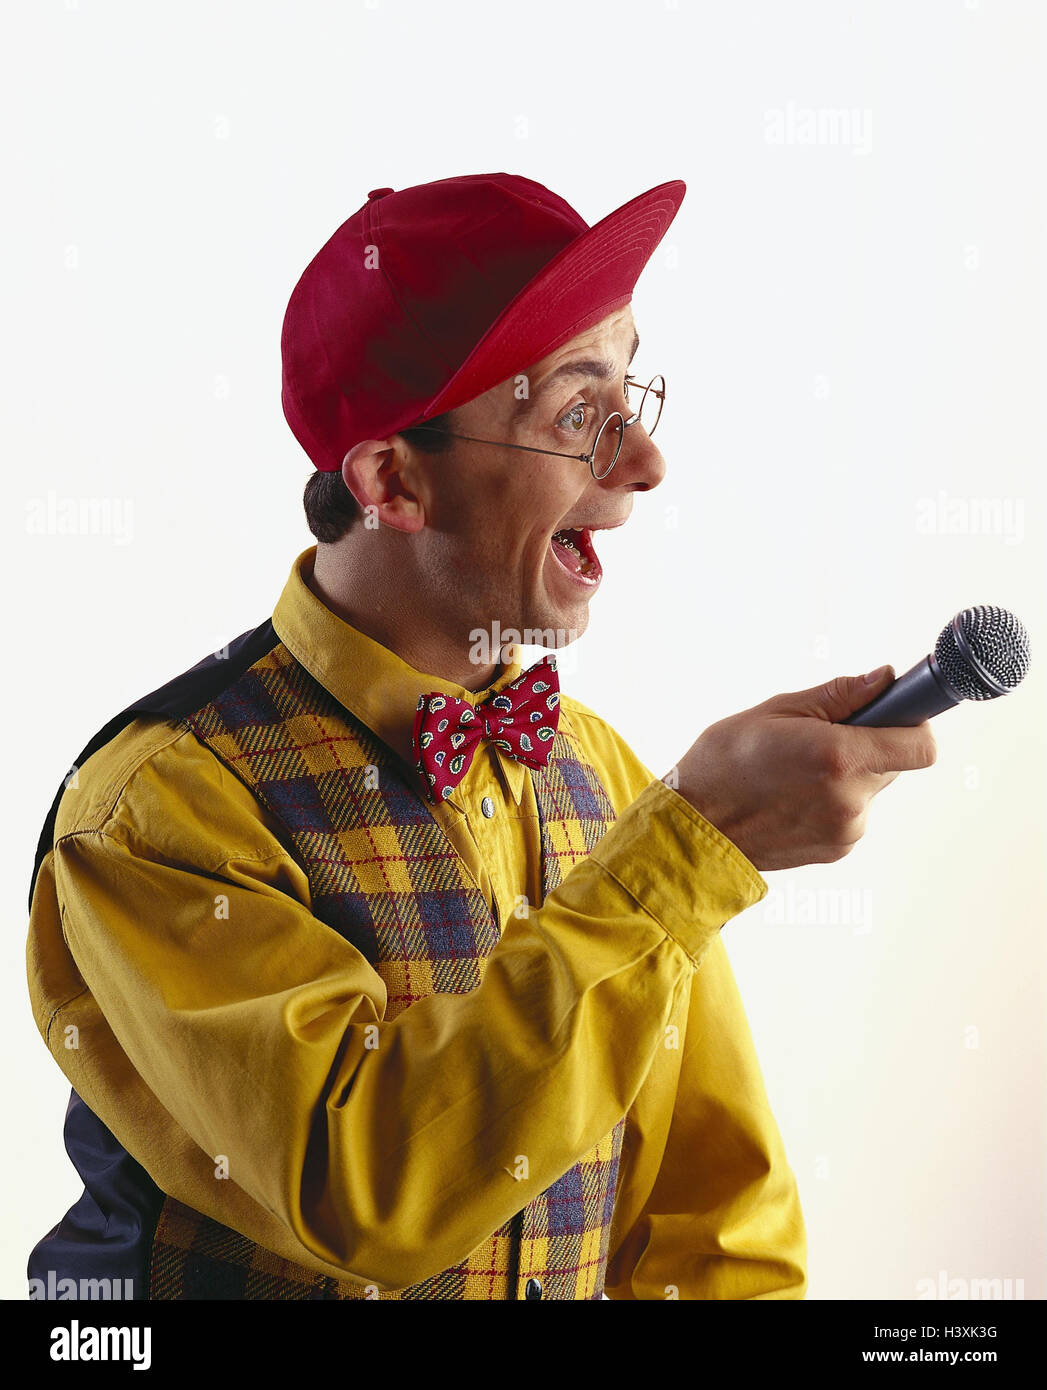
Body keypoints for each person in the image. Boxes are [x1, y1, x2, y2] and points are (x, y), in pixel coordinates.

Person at [25, 172, 935, 1301]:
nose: (643, 465)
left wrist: (684, 840)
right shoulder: (157, 808)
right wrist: (694, 840)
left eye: (629, 396)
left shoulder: (602, 773)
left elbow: (714, 1222)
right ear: (392, 480)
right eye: (572, 413)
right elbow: (367, 1188)